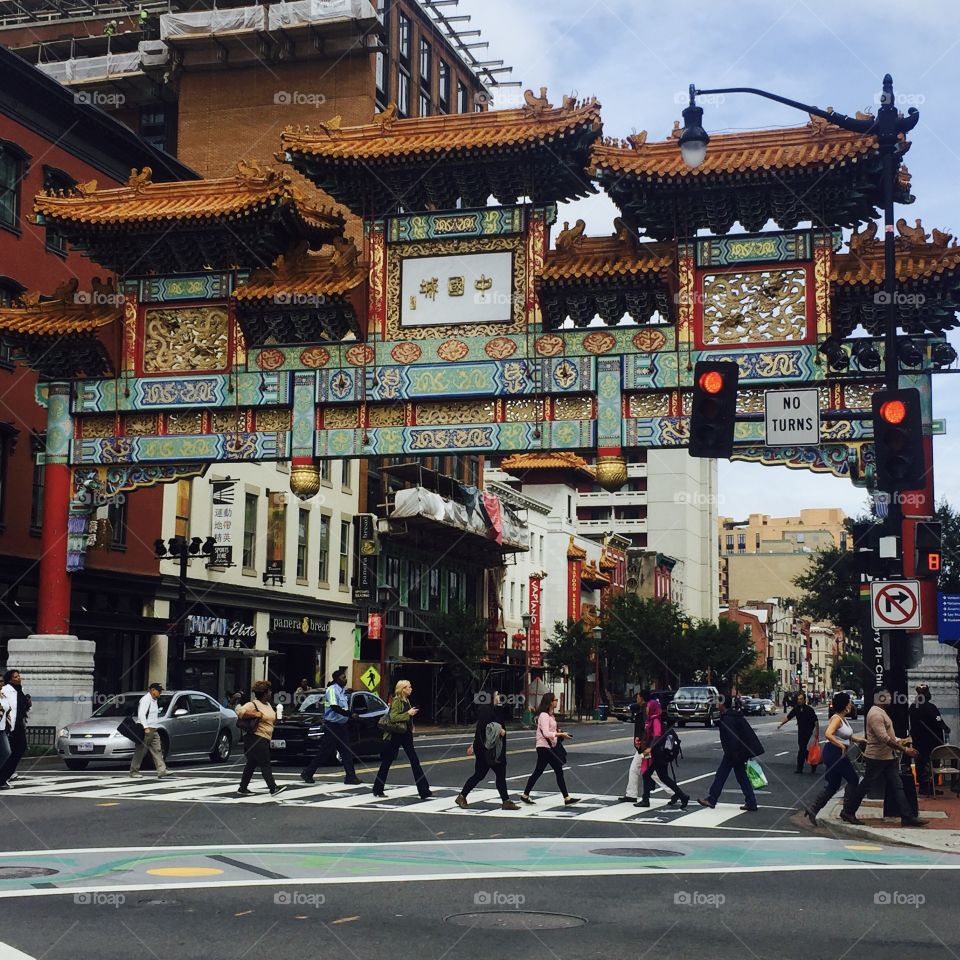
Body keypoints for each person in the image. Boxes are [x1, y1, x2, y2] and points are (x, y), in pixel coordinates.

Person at [841, 688, 925, 827]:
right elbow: (884, 738)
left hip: (888, 757)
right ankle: (848, 811)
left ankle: (907, 816)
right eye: (886, 695)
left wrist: (900, 740)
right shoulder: (875, 714)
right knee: (866, 785)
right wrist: (904, 749)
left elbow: (888, 736)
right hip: (877, 757)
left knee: (897, 786)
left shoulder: (881, 712)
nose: (890, 697)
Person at [802, 692, 866, 825]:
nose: (851, 704)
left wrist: (860, 739)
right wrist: (841, 746)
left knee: (833, 784)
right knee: (853, 780)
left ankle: (813, 809)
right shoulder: (837, 718)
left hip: (834, 752)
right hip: (834, 753)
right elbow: (828, 734)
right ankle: (847, 812)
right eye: (849, 702)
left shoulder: (842, 718)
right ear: (844, 705)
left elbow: (846, 735)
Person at [455, 689, 519, 810]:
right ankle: (462, 796)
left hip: (496, 749)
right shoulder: (485, 710)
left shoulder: (495, 709)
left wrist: (499, 707)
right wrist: (497, 731)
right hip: (486, 750)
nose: (499, 696)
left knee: (499, 774)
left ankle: (506, 801)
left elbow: (499, 721)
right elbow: (483, 729)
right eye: (497, 695)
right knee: (480, 774)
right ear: (491, 697)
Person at [698, 694, 764, 811]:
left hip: (734, 753)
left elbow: (733, 739)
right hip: (738, 752)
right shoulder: (733, 716)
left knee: (721, 775)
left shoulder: (728, 719)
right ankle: (751, 802)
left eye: (718, 702)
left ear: (722, 704)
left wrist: (733, 754)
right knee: (741, 777)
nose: (716, 705)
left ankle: (712, 799)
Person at [372, 680, 432, 799]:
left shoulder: (406, 700)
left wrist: (411, 724)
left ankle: (424, 790)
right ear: (403, 689)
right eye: (409, 687)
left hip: (405, 734)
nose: (411, 689)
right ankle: (378, 789)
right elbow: (393, 717)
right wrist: (408, 713)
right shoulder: (396, 701)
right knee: (387, 761)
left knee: (414, 761)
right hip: (396, 734)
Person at [301, 669, 360, 785]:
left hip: (342, 725)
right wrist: (350, 714)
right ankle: (307, 773)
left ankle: (350, 777)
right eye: (343, 677)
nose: (346, 679)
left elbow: (343, 706)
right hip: (332, 726)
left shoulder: (341, 691)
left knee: (346, 751)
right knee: (325, 751)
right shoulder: (332, 690)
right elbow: (334, 706)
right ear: (337, 679)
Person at [519, 692, 579, 806]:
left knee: (551, 771)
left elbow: (551, 731)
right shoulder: (544, 716)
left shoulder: (550, 715)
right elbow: (546, 733)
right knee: (546, 771)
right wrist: (560, 735)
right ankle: (566, 797)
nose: (557, 701)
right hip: (544, 747)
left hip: (549, 747)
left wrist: (561, 733)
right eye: (555, 700)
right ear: (550, 702)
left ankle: (526, 795)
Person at [637, 695, 689, 809]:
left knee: (649, 775)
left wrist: (650, 748)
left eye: (649, 707)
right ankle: (683, 796)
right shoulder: (652, 719)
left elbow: (656, 735)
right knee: (662, 777)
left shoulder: (655, 720)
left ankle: (646, 800)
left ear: (653, 708)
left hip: (658, 753)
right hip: (658, 753)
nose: (646, 709)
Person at [236, 680, 285, 797]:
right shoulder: (253, 704)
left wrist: (279, 716)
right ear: (264, 693)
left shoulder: (268, 705)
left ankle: (243, 787)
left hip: (265, 737)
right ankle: (273, 788)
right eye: (269, 691)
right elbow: (239, 711)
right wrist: (255, 714)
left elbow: (271, 720)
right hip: (255, 737)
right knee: (265, 762)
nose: (271, 693)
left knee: (252, 763)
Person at [909, 683, 948, 797]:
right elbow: (939, 722)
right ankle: (931, 787)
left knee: (920, 763)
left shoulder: (913, 707)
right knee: (932, 763)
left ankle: (922, 786)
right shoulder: (931, 707)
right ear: (926, 693)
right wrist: (946, 728)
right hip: (932, 742)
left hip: (918, 741)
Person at [129, 683, 167, 779]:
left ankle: (162, 770)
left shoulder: (154, 700)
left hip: (154, 729)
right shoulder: (146, 699)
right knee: (140, 750)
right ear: (152, 690)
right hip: (146, 729)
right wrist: (145, 727)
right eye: (159, 691)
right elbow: (141, 714)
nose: (160, 693)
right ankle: (134, 771)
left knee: (157, 749)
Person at [777, 691, 820, 774]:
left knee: (802, 749)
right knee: (802, 749)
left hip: (808, 732)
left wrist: (817, 733)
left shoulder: (809, 709)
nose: (799, 701)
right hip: (801, 731)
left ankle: (800, 768)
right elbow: (789, 717)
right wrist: (781, 724)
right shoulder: (796, 708)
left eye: (801, 699)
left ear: (804, 700)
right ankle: (812, 763)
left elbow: (816, 721)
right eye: (798, 699)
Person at [616, 691, 646, 803]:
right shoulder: (642, 709)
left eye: (638, 697)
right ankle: (631, 794)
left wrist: (642, 741)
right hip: (642, 747)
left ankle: (676, 793)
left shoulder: (644, 710)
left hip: (645, 746)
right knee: (636, 769)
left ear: (642, 698)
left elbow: (646, 728)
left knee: (653, 772)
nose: (636, 699)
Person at [0, 670, 28, 788]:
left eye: (19, 676)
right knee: (10, 752)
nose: (19, 678)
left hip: (17, 724)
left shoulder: (19, 690)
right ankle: (4, 775)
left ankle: (5, 775)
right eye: (15, 677)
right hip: (11, 726)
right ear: (10, 679)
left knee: (16, 750)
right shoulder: (6, 689)